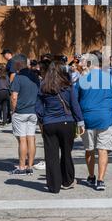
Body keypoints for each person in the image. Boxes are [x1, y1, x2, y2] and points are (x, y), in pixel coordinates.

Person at [76, 50, 112, 191]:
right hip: (106, 119)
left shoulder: (82, 80)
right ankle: (101, 180)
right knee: (103, 150)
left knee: (89, 149)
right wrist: (111, 108)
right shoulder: (111, 79)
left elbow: (75, 100)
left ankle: (91, 176)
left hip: (87, 119)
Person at [36, 62, 85, 193]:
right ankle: (67, 181)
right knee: (66, 153)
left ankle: (54, 185)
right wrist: (80, 122)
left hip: (49, 123)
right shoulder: (68, 86)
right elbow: (75, 105)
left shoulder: (43, 86)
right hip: (67, 123)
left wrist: (42, 121)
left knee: (51, 155)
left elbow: (38, 108)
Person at [10, 54, 40, 175]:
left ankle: (22, 167)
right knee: (31, 138)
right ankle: (30, 166)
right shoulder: (35, 77)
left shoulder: (18, 77)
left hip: (21, 112)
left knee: (22, 140)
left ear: (19, 64)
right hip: (33, 112)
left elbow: (14, 97)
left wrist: (13, 110)